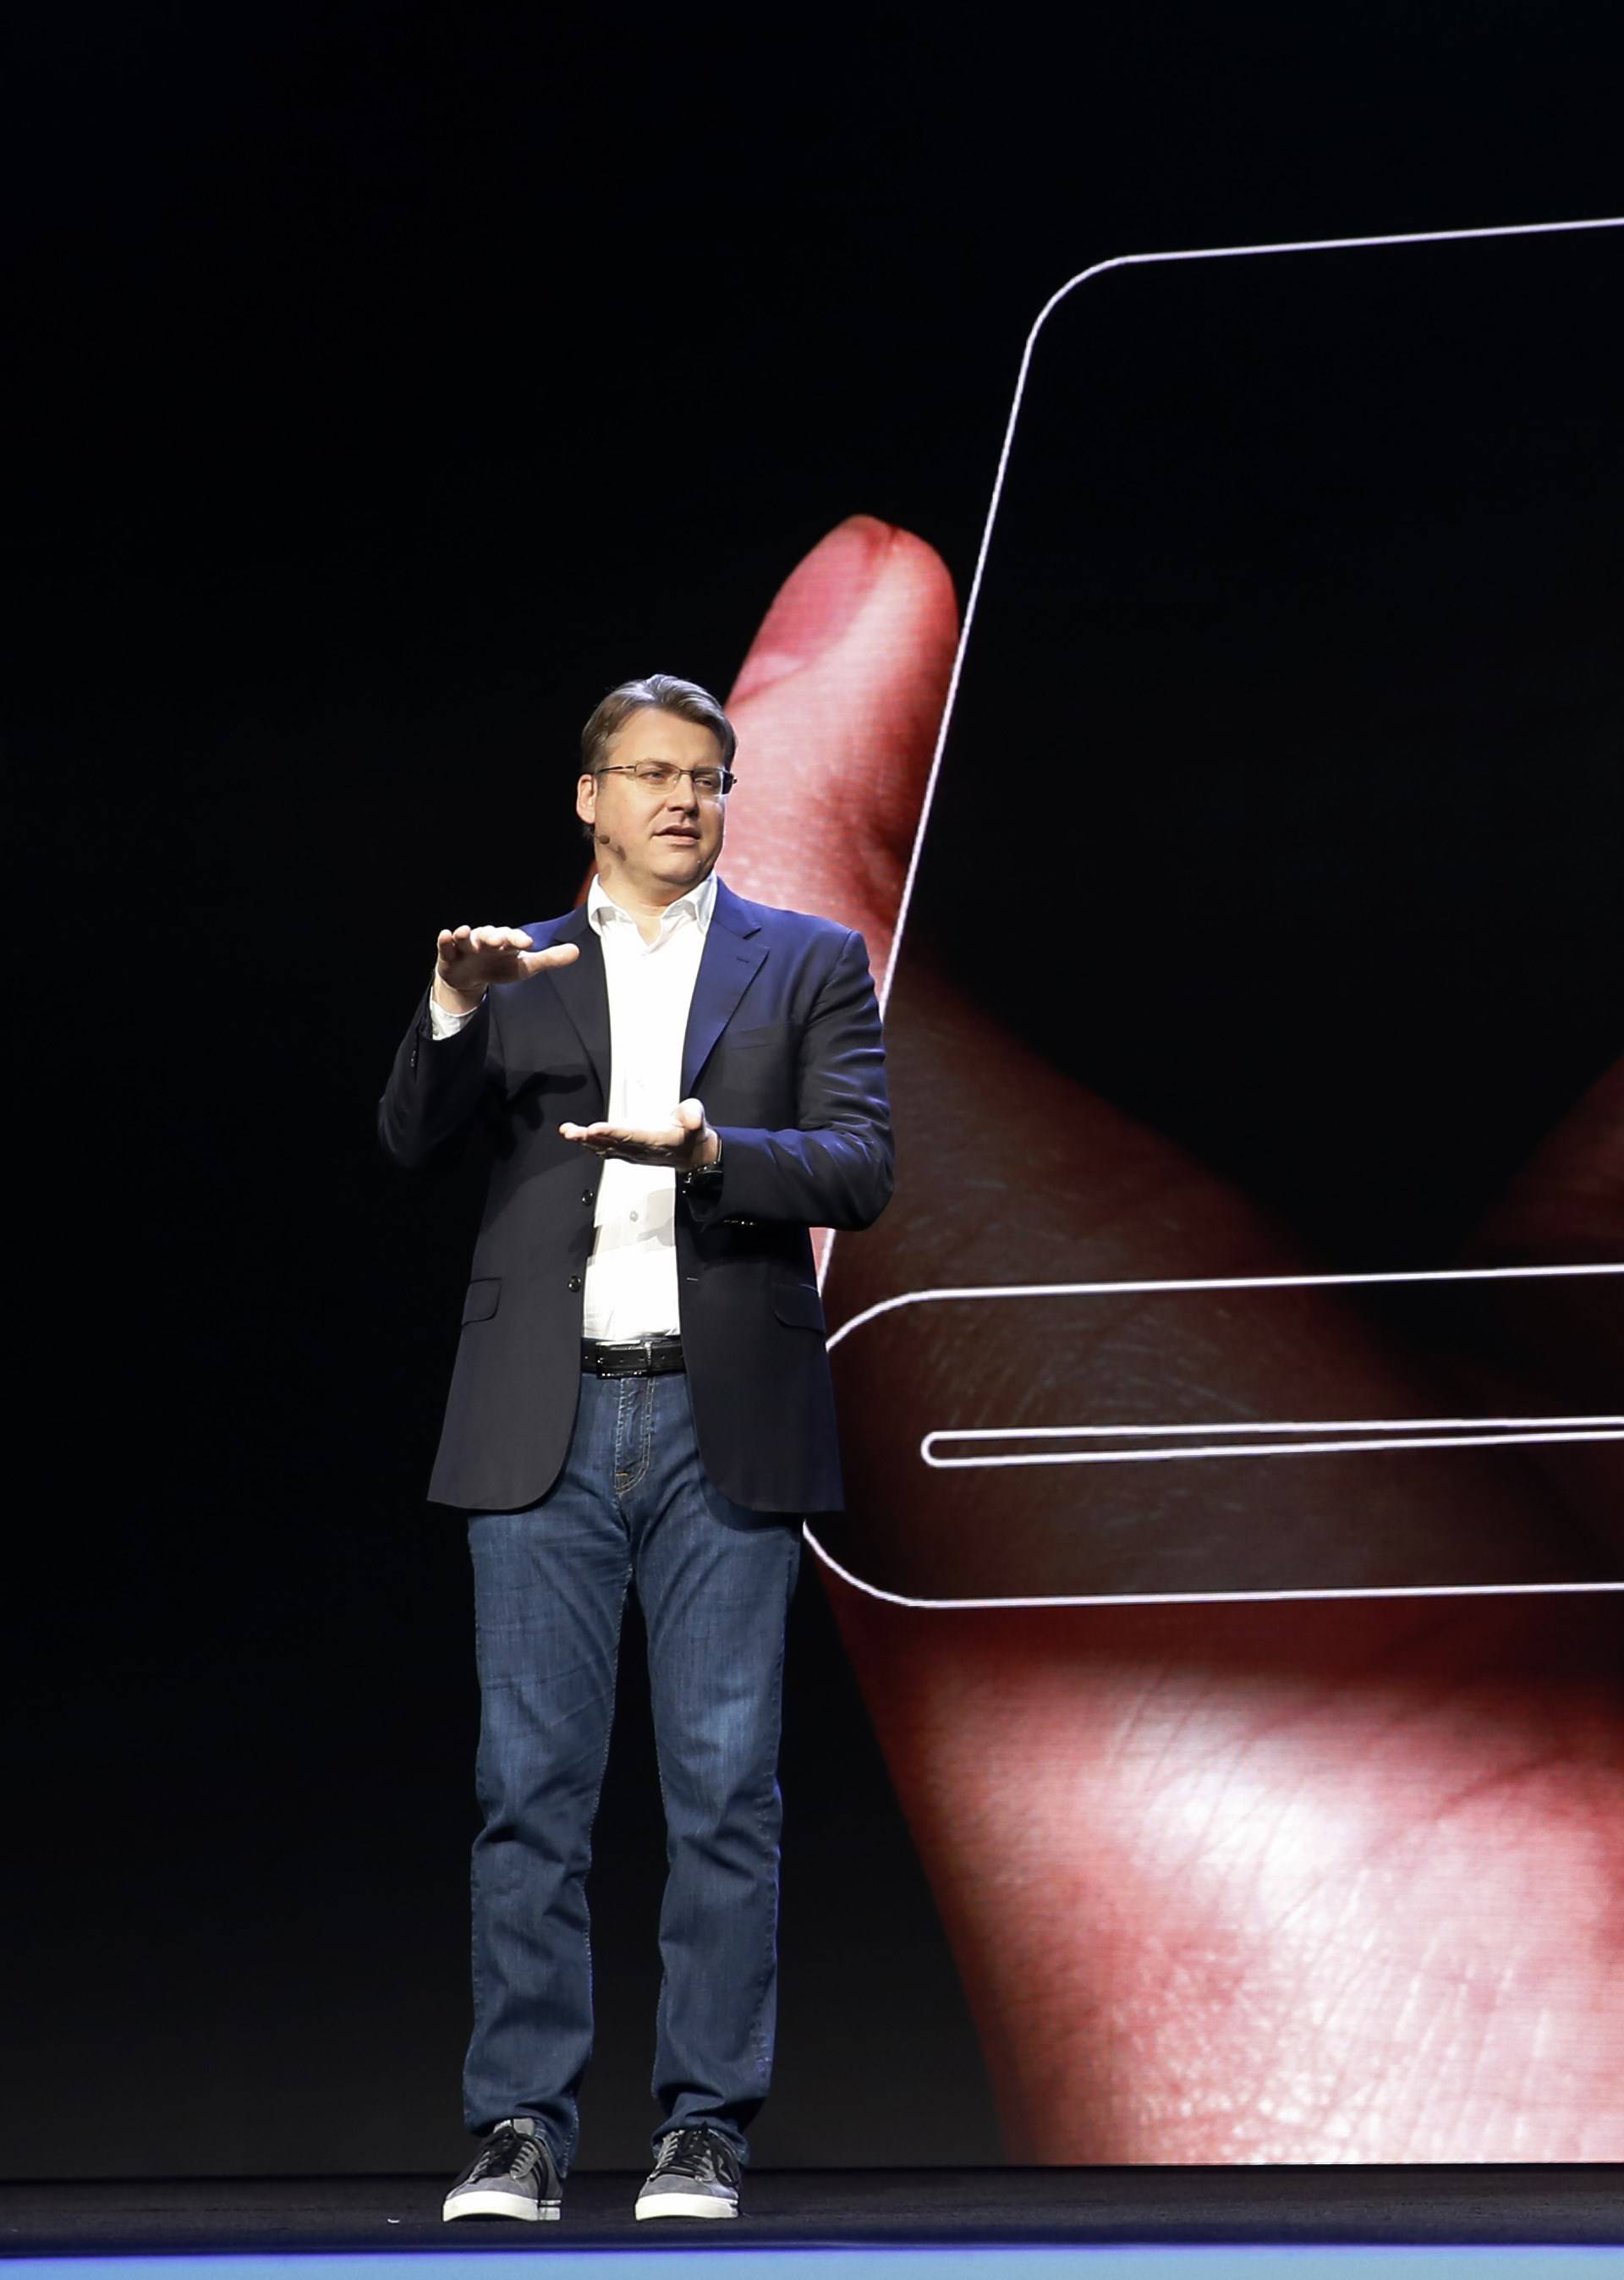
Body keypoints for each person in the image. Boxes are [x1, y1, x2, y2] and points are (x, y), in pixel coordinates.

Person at [378, 673, 894, 2220]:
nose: (684, 799)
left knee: (723, 1789)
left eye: (709, 778)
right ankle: (521, 2129)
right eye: (652, 774)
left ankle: (703, 2128)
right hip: (542, 1413)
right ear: (590, 798)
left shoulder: (807, 963)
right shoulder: (516, 966)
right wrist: (454, 1008)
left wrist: (716, 1148)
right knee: (528, 1789)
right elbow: (411, 1138)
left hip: (715, 1412)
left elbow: (862, 1167)